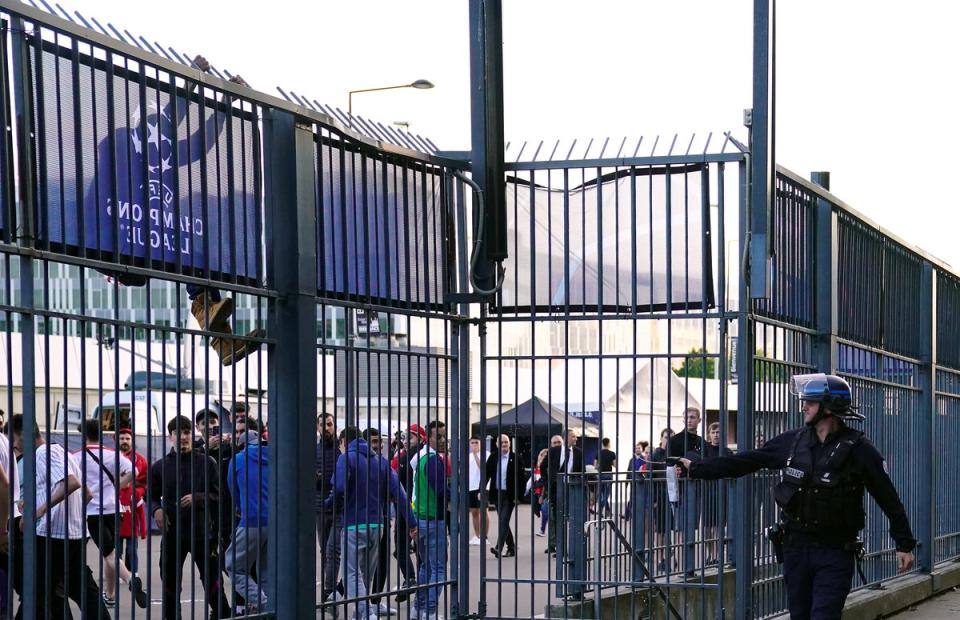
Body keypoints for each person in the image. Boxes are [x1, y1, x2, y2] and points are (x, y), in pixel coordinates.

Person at [679, 373, 917, 619]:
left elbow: (887, 497)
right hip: (795, 548)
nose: (804, 406)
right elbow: (748, 460)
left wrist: (904, 544)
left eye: (811, 402)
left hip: (835, 551)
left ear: (828, 407)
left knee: (824, 615)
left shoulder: (859, 450)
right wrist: (698, 469)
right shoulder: (793, 441)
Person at [84, 54, 261, 367]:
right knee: (190, 253)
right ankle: (212, 321)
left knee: (197, 256)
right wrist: (192, 78)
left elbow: (197, 144)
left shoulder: (158, 150)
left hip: (147, 238)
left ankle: (222, 340)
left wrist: (224, 103)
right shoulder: (124, 142)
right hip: (118, 243)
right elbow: (164, 123)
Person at [11, 415, 111, 619]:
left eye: (14, 439)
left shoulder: (43, 453)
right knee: (82, 590)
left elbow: (71, 483)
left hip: (53, 535)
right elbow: (87, 493)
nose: (14, 446)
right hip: (74, 533)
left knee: (37, 593)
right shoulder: (64, 453)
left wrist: (39, 511)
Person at [326, 426, 417, 620]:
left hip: (353, 524)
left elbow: (340, 487)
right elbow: (400, 494)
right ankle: (359, 614)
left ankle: (366, 612)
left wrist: (328, 504)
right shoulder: (382, 462)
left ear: (343, 441)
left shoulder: (346, 457)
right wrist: (411, 522)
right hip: (378, 524)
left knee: (351, 572)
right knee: (366, 574)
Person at [150, 415, 231, 620]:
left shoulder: (207, 462)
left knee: (212, 580)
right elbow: (149, 496)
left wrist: (199, 497)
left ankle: (222, 614)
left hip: (203, 533)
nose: (183, 437)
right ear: (170, 437)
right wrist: (156, 510)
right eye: (178, 433)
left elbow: (220, 495)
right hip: (172, 533)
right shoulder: (160, 466)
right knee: (170, 583)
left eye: (187, 433)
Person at [74, 419, 147, 608]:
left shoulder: (77, 456)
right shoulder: (112, 455)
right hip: (114, 510)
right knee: (110, 553)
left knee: (109, 555)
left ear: (84, 436)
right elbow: (134, 471)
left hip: (92, 512)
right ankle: (110, 594)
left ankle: (130, 579)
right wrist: (118, 485)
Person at [225, 430, 270, 613]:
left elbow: (232, 490)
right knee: (266, 570)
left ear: (243, 444)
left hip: (251, 520)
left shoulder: (238, 459)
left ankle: (261, 601)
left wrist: (241, 508)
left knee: (233, 566)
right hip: (274, 523)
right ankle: (271, 610)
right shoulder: (274, 457)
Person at [411, 421, 448, 620]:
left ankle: (418, 608)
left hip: (421, 518)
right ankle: (430, 612)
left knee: (426, 566)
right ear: (429, 438)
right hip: (434, 519)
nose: (442, 440)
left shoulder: (422, 458)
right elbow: (441, 490)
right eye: (438, 437)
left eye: (444, 436)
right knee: (438, 568)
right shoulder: (433, 460)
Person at [668, 407, 704, 573]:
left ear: (699, 420)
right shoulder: (675, 441)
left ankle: (688, 566)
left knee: (691, 529)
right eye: (687, 417)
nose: (689, 420)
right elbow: (667, 464)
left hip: (696, 489)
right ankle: (683, 567)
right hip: (680, 490)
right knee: (682, 529)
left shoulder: (701, 442)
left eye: (693, 417)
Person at [316, 413, 342, 602]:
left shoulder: (340, 452)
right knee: (325, 550)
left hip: (340, 508)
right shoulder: (313, 451)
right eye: (323, 425)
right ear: (317, 428)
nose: (327, 428)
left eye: (330, 424)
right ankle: (329, 588)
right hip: (319, 508)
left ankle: (329, 590)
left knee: (334, 550)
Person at [546, 430, 584, 555]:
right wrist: (548, 481)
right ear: (566, 437)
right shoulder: (554, 451)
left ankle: (575, 547)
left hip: (572, 490)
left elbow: (582, 472)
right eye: (573, 436)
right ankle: (561, 548)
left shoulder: (578, 453)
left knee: (572, 518)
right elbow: (542, 466)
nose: (576, 439)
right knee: (559, 519)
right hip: (557, 490)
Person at [116, 427, 148, 576]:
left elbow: (145, 483)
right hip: (113, 507)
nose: (124, 441)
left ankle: (132, 571)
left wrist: (137, 493)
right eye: (122, 438)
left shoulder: (140, 460)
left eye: (127, 438)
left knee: (131, 546)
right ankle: (117, 570)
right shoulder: (109, 457)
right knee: (115, 546)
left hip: (131, 507)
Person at [485, 434, 520, 558]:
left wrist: (518, 495)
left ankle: (498, 548)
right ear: (497, 444)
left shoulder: (515, 458)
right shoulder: (493, 457)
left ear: (510, 443)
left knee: (504, 520)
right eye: (502, 442)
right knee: (503, 521)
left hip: (510, 495)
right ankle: (511, 548)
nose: (504, 444)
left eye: (506, 442)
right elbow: (486, 474)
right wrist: (481, 490)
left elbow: (521, 478)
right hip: (497, 493)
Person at [650, 428, 674, 573]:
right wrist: (653, 499)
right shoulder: (656, 454)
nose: (668, 440)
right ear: (661, 438)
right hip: (659, 496)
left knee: (669, 529)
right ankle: (659, 559)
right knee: (659, 530)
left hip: (672, 496)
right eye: (666, 437)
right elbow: (651, 478)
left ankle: (667, 556)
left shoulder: (673, 454)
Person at [702, 422, 722, 566]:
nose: (716, 435)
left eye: (719, 432)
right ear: (709, 434)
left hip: (721, 492)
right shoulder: (704, 451)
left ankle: (716, 556)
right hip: (707, 492)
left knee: (718, 526)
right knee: (707, 528)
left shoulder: (726, 451)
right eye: (713, 432)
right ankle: (710, 554)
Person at [524, 448, 549, 536]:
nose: (543, 457)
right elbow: (530, 481)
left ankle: (542, 530)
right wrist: (525, 491)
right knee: (542, 511)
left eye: (545, 456)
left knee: (545, 510)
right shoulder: (537, 469)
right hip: (538, 493)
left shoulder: (547, 469)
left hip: (545, 492)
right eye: (541, 455)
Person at [467, 436, 487, 545]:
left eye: (476, 442)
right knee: (474, 512)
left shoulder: (485, 454)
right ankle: (477, 535)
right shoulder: (468, 456)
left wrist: (475, 454)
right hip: (471, 486)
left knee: (483, 511)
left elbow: (483, 468)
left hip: (482, 486)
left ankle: (484, 535)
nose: (474, 444)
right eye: (472, 442)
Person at [594, 438, 617, 518]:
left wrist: (601, 465)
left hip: (600, 475)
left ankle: (606, 510)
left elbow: (595, 466)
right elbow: (615, 465)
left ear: (602, 444)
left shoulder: (598, 453)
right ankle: (600, 510)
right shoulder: (612, 453)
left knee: (601, 494)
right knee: (606, 494)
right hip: (608, 475)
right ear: (608, 443)